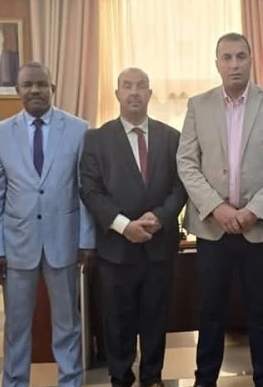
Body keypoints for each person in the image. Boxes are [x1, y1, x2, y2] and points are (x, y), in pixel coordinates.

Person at [176, 32, 263, 387]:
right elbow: (187, 162)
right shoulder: (198, 105)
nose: (234, 64)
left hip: (259, 227)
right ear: (216, 64)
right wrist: (217, 208)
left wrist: (252, 211)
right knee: (209, 310)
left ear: (251, 60)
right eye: (226, 57)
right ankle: (205, 380)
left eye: (241, 56)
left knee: (262, 310)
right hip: (212, 228)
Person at [0, 61, 95, 387]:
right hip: (17, 246)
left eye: (41, 84)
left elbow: (85, 190)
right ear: (17, 91)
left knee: (67, 323)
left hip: (64, 242)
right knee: (16, 326)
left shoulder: (78, 129)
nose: (35, 90)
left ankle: (70, 382)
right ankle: (15, 382)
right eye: (28, 85)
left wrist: (86, 240)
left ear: (52, 89)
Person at [80, 67, 187, 387]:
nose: (134, 92)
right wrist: (124, 226)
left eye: (141, 86)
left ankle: (152, 377)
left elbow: (181, 185)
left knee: (156, 318)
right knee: (117, 322)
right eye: (127, 86)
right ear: (117, 94)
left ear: (150, 94)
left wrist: (161, 217)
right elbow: (90, 190)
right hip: (117, 249)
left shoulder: (171, 137)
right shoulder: (96, 139)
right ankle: (121, 377)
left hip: (159, 246)